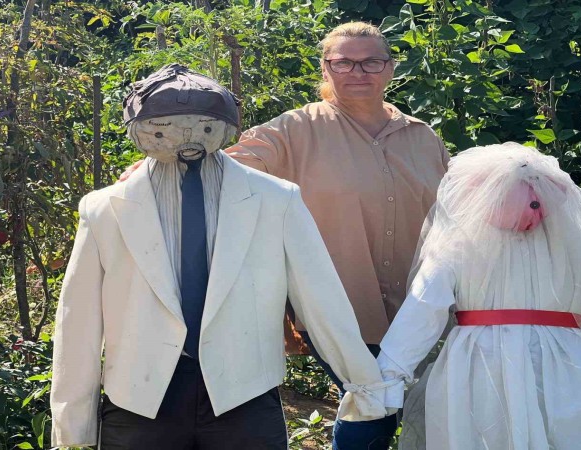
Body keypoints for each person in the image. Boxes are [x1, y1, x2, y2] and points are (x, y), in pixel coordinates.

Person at [121, 21, 449, 450]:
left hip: (418, 308)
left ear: (390, 68)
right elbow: (224, 166)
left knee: (409, 407)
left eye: (371, 62)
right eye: (343, 62)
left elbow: (454, 208)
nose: (358, 72)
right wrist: (161, 168)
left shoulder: (422, 137)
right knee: (373, 407)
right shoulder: (294, 130)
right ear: (325, 68)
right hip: (338, 306)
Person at [50, 64, 389, 450]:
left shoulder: (275, 199)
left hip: (244, 393)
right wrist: (72, 425)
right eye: (166, 126)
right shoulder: (104, 208)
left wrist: (363, 385)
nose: (186, 135)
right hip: (138, 398)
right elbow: (78, 321)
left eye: (201, 125)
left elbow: (321, 299)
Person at [376, 143, 581, 449]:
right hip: (564, 360)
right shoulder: (568, 245)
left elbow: (424, 307)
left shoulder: (457, 244)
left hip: (482, 358)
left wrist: (389, 373)